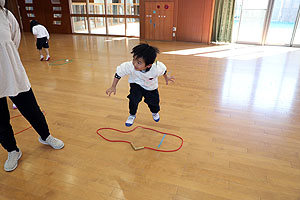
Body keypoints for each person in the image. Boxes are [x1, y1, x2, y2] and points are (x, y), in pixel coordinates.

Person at [0, 0, 64, 172]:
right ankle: (12, 150)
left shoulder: (5, 15)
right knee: (0, 121)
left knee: (32, 109)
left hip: (13, 74)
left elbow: (15, 39)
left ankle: (45, 135)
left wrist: (8, 60)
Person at [106, 43, 175, 127]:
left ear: (148, 65)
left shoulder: (156, 68)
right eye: (134, 60)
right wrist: (113, 86)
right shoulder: (130, 66)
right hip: (136, 84)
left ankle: (154, 112)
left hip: (150, 87)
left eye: (139, 62)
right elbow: (118, 73)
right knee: (133, 100)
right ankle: (132, 115)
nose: (135, 64)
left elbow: (163, 71)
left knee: (154, 102)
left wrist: (166, 77)